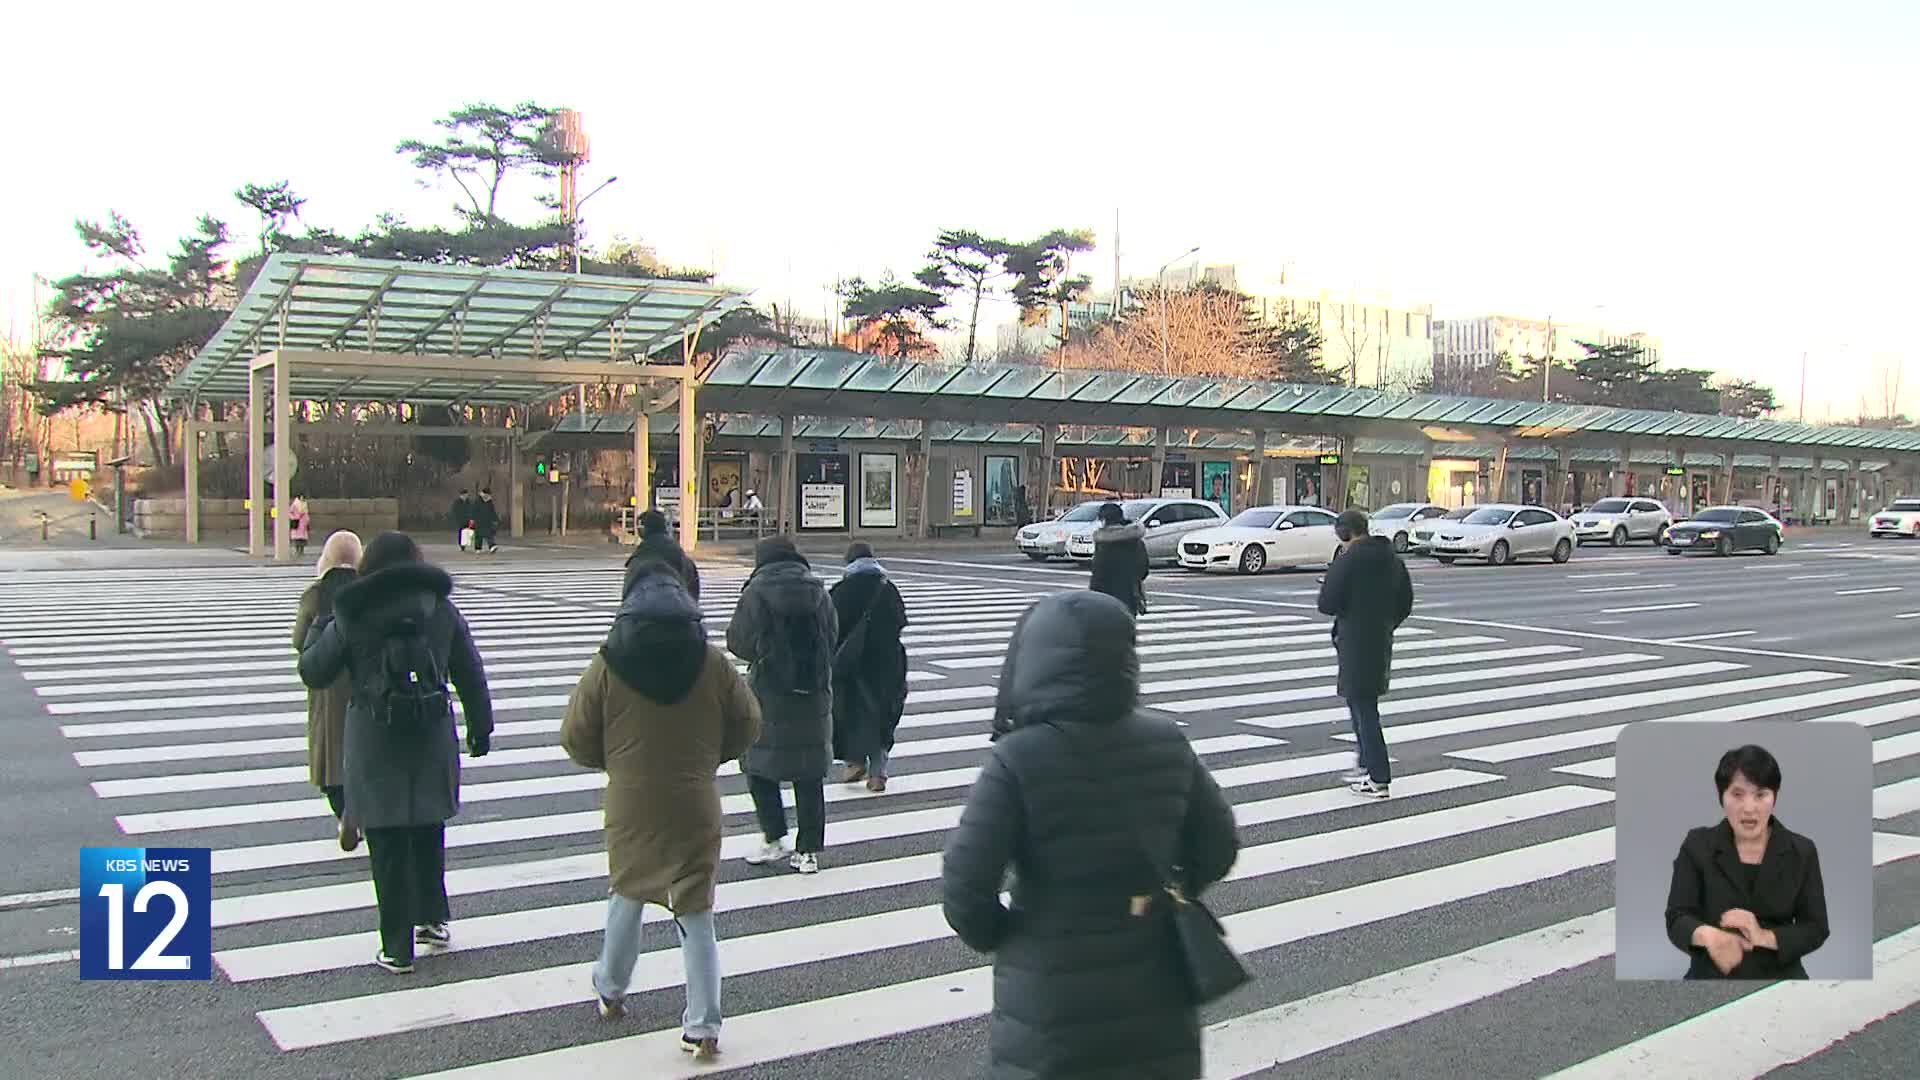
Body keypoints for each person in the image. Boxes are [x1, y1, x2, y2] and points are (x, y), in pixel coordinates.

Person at [942, 591, 1240, 1079]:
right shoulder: (1166, 740)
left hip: (1053, 994)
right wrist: (1170, 894)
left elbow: (965, 888)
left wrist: (1012, 937)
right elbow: (1219, 845)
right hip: (1156, 980)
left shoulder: (1018, 757)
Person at [560, 562, 761, 1059]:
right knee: (695, 908)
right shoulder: (710, 662)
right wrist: (712, 756)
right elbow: (749, 722)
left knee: (629, 889)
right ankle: (704, 1023)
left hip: (632, 799)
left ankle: (610, 985)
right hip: (695, 798)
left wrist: (616, 763)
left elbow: (575, 736)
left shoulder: (609, 662)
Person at [297, 531, 493, 974]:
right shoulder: (440, 609)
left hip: (374, 736)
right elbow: (469, 670)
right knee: (428, 826)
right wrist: (480, 728)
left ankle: (396, 946)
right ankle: (432, 919)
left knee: (385, 839)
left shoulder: (353, 612)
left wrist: (325, 613)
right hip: (432, 732)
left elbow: (313, 669)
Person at [1665, 744, 1829, 980]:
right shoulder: (1697, 846)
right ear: (1722, 797)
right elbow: (1677, 917)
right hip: (1714, 972)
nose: (1749, 808)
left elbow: (1815, 927)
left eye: (1761, 794)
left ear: (1774, 798)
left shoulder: (1801, 851)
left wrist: (1763, 936)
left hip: (1780, 976)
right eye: (1737, 794)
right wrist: (1711, 937)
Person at [726, 536, 837, 875]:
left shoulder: (756, 592)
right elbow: (833, 635)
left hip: (769, 693)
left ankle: (774, 837)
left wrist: (765, 655)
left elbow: (738, 641)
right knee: (809, 772)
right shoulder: (818, 592)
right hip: (812, 692)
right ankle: (808, 852)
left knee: (758, 766)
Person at [1317, 508, 1414, 799]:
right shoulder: (1391, 560)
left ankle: (1378, 776)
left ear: (1345, 533)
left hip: (1354, 640)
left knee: (1364, 708)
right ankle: (1365, 763)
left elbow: (1327, 603)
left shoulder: (1348, 562)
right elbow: (1405, 602)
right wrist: (1386, 623)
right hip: (1379, 638)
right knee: (1360, 702)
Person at [292, 530, 361, 851]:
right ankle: (361, 813)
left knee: (329, 759)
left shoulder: (316, 594)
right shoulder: (368, 589)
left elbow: (298, 641)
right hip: (363, 684)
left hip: (327, 687)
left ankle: (344, 811)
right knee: (362, 754)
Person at [828, 542, 909, 792]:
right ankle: (878, 773)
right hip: (887, 664)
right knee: (883, 715)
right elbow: (900, 622)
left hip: (852, 666)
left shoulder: (841, 590)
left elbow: (831, 628)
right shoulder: (888, 589)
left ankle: (854, 762)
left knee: (850, 714)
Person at [623, 509, 701, 600]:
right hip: (682, 607)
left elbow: (628, 592)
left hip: (647, 609)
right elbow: (693, 593)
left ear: (644, 529)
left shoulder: (640, 558)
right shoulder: (682, 556)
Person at [1088, 501, 1149, 616]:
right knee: (1127, 629)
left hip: (1104, 597)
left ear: (1105, 520)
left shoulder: (1103, 543)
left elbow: (1097, 572)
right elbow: (1143, 569)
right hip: (1130, 596)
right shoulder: (1135, 540)